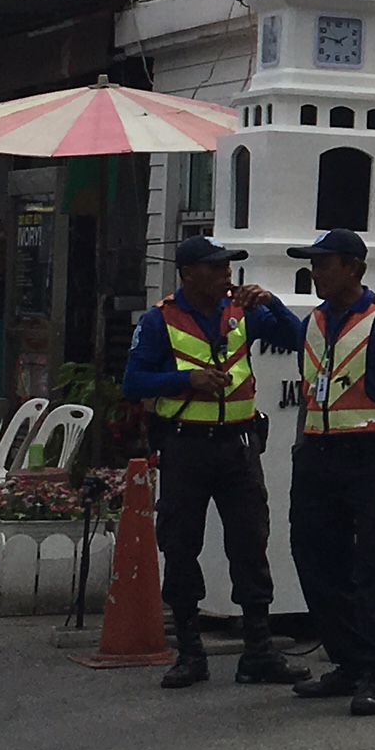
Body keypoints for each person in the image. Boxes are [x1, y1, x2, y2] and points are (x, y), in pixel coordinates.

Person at [121, 234, 308, 690]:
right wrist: (189, 379)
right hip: (186, 447)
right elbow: (133, 382)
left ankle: (258, 652)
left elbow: (300, 339)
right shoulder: (160, 319)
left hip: (239, 446)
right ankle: (190, 653)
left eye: (228, 267)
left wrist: (275, 303)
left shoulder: (243, 312)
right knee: (181, 545)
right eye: (216, 267)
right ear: (188, 274)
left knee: (250, 542)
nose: (227, 274)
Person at [286, 229, 375, 717]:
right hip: (320, 457)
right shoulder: (314, 322)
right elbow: (310, 389)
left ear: (353, 268)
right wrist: (302, 448)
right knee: (315, 558)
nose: (316, 272)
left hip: (371, 457)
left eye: (324, 264)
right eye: (313, 265)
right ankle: (346, 661)